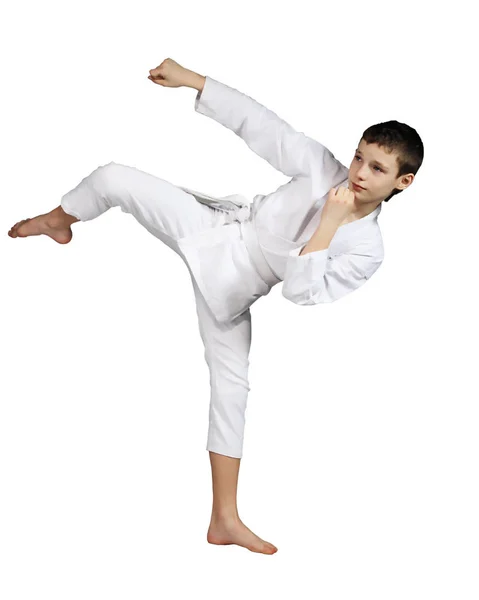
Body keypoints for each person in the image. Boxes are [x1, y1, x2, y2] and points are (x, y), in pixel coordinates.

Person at [7, 58, 424, 555]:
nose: (357, 172)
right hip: (214, 226)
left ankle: (224, 519)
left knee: (232, 390)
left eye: (376, 168)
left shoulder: (367, 250)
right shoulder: (323, 169)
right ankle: (57, 221)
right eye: (359, 157)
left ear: (402, 182)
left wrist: (329, 224)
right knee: (114, 177)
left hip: (234, 288)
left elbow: (300, 293)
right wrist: (194, 80)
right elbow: (263, 125)